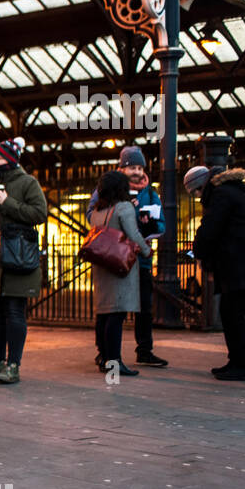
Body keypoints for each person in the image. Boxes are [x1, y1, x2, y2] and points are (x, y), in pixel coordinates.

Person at [0, 137, 48, 384]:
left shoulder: (28, 183)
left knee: (14, 312)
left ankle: (13, 366)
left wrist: (8, 203)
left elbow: (39, 213)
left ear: (11, 160)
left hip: (19, 258)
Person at [184, 164, 245, 381]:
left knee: (232, 314)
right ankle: (236, 362)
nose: (197, 197)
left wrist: (197, 249)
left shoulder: (221, 195)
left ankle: (241, 366)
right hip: (242, 264)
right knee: (231, 313)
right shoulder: (230, 191)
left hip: (239, 265)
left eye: (196, 192)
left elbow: (210, 229)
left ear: (201, 186)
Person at [88, 146, 168, 366]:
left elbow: (161, 223)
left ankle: (143, 350)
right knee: (111, 308)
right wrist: (125, 212)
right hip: (114, 257)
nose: (137, 172)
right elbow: (93, 216)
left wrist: (148, 223)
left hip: (139, 260)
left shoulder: (151, 193)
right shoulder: (106, 189)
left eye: (140, 167)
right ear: (122, 169)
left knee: (143, 307)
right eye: (132, 167)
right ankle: (105, 353)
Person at [88, 171, 152, 377]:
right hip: (119, 267)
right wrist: (146, 250)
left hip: (102, 265)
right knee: (116, 316)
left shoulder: (97, 211)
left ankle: (104, 358)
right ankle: (114, 363)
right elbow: (133, 234)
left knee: (104, 315)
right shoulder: (124, 207)